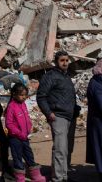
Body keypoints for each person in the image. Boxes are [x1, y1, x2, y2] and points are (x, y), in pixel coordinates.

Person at [37, 51, 79, 182]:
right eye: (62, 60)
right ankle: (58, 178)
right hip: (58, 116)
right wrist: (49, 113)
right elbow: (41, 96)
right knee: (60, 149)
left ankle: (64, 176)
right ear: (56, 62)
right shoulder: (50, 76)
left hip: (69, 117)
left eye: (67, 60)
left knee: (66, 149)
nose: (65, 63)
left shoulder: (66, 76)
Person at [5, 83, 46, 182]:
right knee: (18, 158)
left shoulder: (23, 104)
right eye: (22, 95)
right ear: (14, 94)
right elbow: (9, 124)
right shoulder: (11, 106)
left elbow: (26, 117)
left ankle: (35, 176)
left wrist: (30, 126)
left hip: (25, 137)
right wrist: (20, 133)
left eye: (25, 95)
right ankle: (20, 178)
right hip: (15, 139)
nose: (24, 97)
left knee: (29, 155)